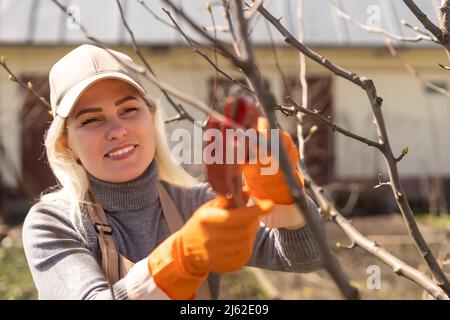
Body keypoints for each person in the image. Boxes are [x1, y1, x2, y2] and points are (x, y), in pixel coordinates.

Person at [22, 44, 327, 300]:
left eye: (129, 110)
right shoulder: (53, 224)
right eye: (91, 120)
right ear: (66, 143)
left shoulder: (199, 203)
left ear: (152, 116)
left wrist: (285, 203)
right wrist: (180, 260)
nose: (117, 130)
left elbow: (308, 258)